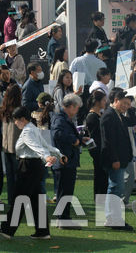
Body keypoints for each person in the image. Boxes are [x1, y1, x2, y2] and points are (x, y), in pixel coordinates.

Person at [0, 107, 64, 240]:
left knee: (19, 198)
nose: (15, 123)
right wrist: (59, 154)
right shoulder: (33, 128)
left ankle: (7, 229)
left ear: (23, 119)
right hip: (36, 167)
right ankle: (42, 231)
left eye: (16, 120)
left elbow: (37, 147)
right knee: (37, 200)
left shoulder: (27, 132)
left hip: (28, 167)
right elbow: (45, 146)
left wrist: (47, 156)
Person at [100, 88, 136, 231]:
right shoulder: (110, 115)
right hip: (114, 159)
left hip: (121, 159)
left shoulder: (118, 115)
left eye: (128, 104)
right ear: (116, 100)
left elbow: (132, 121)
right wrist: (115, 159)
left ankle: (113, 218)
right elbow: (108, 141)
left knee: (116, 188)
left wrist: (131, 108)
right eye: (125, 103)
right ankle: (113, 218)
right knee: (116, 188)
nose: (126, 106)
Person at [50, 93, 85, 228]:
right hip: (64, 160)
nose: (77, 111)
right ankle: (63, 220)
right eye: (76, 108)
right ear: (70, 107)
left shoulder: (62, 117)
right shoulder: (60, 118)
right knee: (64, 191)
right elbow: (57, 133)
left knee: (66, 191)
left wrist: (80, 140)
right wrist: (74, 140)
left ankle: (64, 218)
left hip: (66, 159)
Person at [0, 84, 23, 206]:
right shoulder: (20, 110)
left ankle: (11, 199)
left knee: (10, 177)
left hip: (6, 146)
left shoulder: (4, 110)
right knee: (19, 176)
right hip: (17, 147)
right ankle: (19, 201)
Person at [85, 90, 109, 198]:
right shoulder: (92, 117)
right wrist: (96, 152)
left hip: (102, 150)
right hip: (98, 151)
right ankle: (99, 198)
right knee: (100, 176)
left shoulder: (100, 114)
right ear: (97, 102)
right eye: (104, 100)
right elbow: (93, 137)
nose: (105, 102)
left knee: (103, 176)